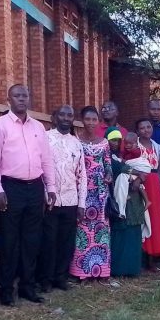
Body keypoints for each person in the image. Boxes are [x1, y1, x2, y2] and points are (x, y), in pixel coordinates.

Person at [0, 84, 56, 306]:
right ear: (9, 99)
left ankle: (28, 287)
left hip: (35, 188)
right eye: (17, 96)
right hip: (10, 188)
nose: (21, 99)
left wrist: (51, 187)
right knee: (9, 241)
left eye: (25, 95)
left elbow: (46, 159)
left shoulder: (38, 127)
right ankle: (6, 290)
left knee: (31, 240)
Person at [39, 104, 86, 293]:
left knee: (66, 241)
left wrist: (81, 204)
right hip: (50, 201)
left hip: (71, 200)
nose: (66, 118)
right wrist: (43, 195)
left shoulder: (76, 143)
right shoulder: (45, 139)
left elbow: (82, 175)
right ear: (54, 117)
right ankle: (45, 279)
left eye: (70, 115)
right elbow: (39, 168)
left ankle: (61, 277)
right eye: (62, 115)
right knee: (48, 241)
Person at [69, 106, 113, 283]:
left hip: (101, 193)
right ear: (82, 120)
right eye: (87, 119)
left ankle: (101, 271)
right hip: (83, 191)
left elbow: (107, 163)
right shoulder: (75, 141)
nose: (91, 123)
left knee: (101, 230)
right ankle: (82, 271)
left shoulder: (104, 142)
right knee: (83, 230)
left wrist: (109, 175)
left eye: (94, 119)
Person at [109, 133, 149, 277]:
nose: (116, 143)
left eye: (118, 140)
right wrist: (139, 175)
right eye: (112, 140)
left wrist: (139, 178)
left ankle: (132, 269)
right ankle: (118, 269)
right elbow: (119, 168)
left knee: (133, 232)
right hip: (115, 200)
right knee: (119, 232)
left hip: (134, 199)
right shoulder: (110, 156)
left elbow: (145, 168)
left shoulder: (132, 155)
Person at [135, 118, 160, 265]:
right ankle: (141, 254)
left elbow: (159, 168)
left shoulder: (157, 146)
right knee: (142, 218)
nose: (146, 130)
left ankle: (153, 257)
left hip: (155, 183)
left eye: (148, 127)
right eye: (142, 128)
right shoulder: (135, 146)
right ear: (137, 131)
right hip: (141, 183)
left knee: (155, 219)